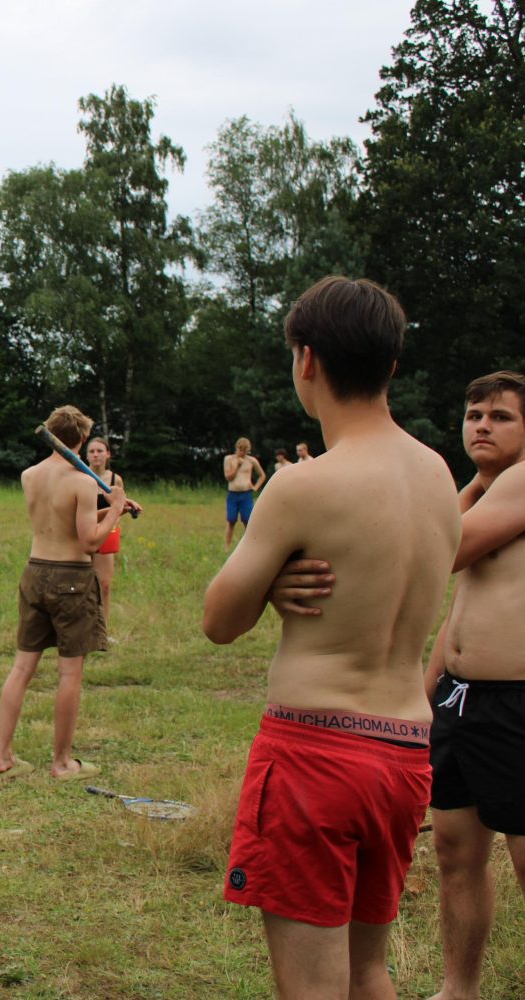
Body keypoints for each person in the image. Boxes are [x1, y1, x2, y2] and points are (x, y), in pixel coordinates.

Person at [202, 276, 460, 999]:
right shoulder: (439, 476)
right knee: (367, 969)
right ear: (391, 366)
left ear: (306, 361)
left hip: (316, 750)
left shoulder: (304, 485)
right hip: (405, 750)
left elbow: (220, 621)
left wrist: (268, 584)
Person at [420, 371, 525, 1000]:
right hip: (460, 699)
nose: (482, 425)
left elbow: (439, 551)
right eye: (474, 415)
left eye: (501, 416)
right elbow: (461, 605)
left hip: (516, 705)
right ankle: (458, 990)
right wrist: (426, 690)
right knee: (455, 855)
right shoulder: (487, 491)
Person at [0, 406, 126, 781]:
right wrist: (114, 510)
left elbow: (61, 520)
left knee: (22, 668)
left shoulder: (30, 475)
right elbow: (89, 543)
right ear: (81, 439)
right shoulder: (82, 482)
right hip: (71, 577)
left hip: (35, 572)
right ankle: (62, 762)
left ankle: (2, 757)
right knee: (70, 672)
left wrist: (108, 510)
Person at [84, 436, 129, 632]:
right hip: (83, 535)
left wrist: (113, 525)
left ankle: (102, 631)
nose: (96, 455)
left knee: (104, 584)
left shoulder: (114, 480)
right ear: (86, 456)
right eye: (92, 451)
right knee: (82, 584)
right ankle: (83, 628)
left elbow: (118, 507)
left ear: (108, 454)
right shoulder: (80, 477)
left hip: (105, 534)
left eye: (99, 451)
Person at [222, 438, 266, 549]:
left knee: (247, 521)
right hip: (233, 494)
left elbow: (262, 475)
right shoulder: (228, 459)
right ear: (236, 448)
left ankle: (249, 547)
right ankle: (227, 546)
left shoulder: (252, 460)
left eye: (245, 451)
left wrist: (255, 487)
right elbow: (228, 477)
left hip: (246, 495)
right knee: (231, 520)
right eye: (240, 450)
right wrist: (237, 465)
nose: (242, 453)